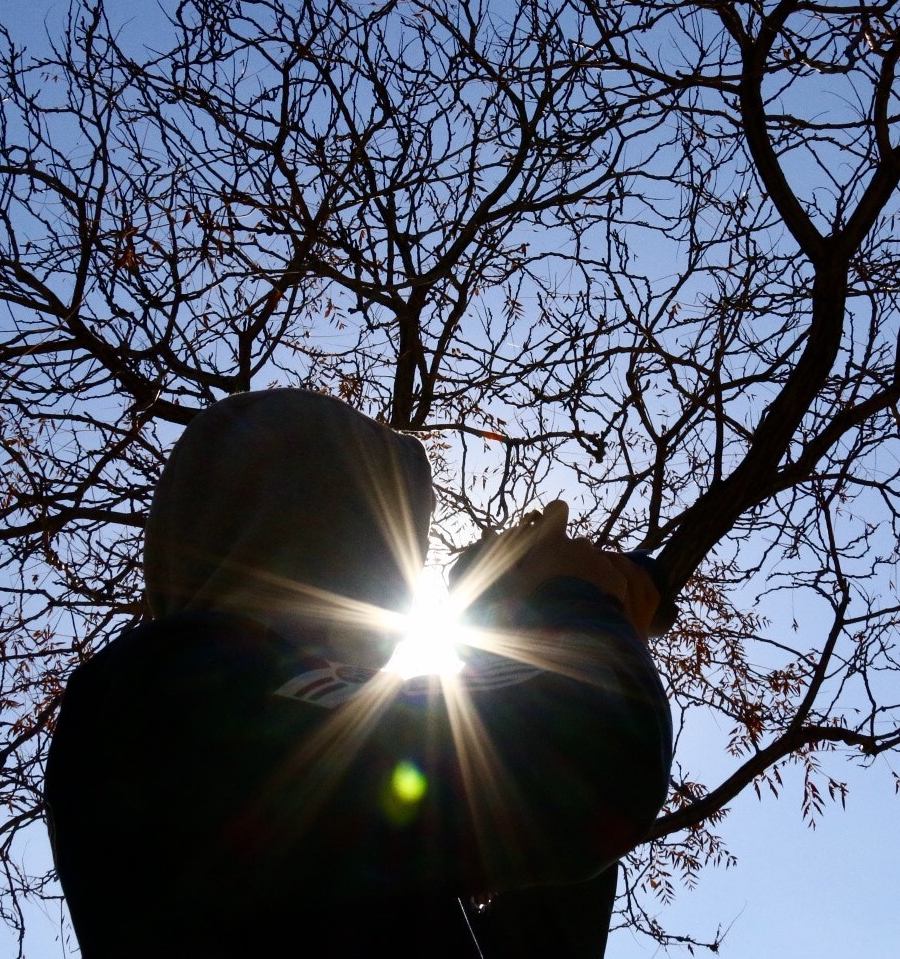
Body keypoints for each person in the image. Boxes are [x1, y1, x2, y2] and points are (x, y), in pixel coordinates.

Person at [44, 388, 671, 957]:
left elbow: (559, 828)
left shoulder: (272, 737)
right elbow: (587, 771)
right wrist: (574, 597)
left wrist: (521, 626)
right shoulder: (161, 689)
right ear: (317, 523)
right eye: (390, 545)